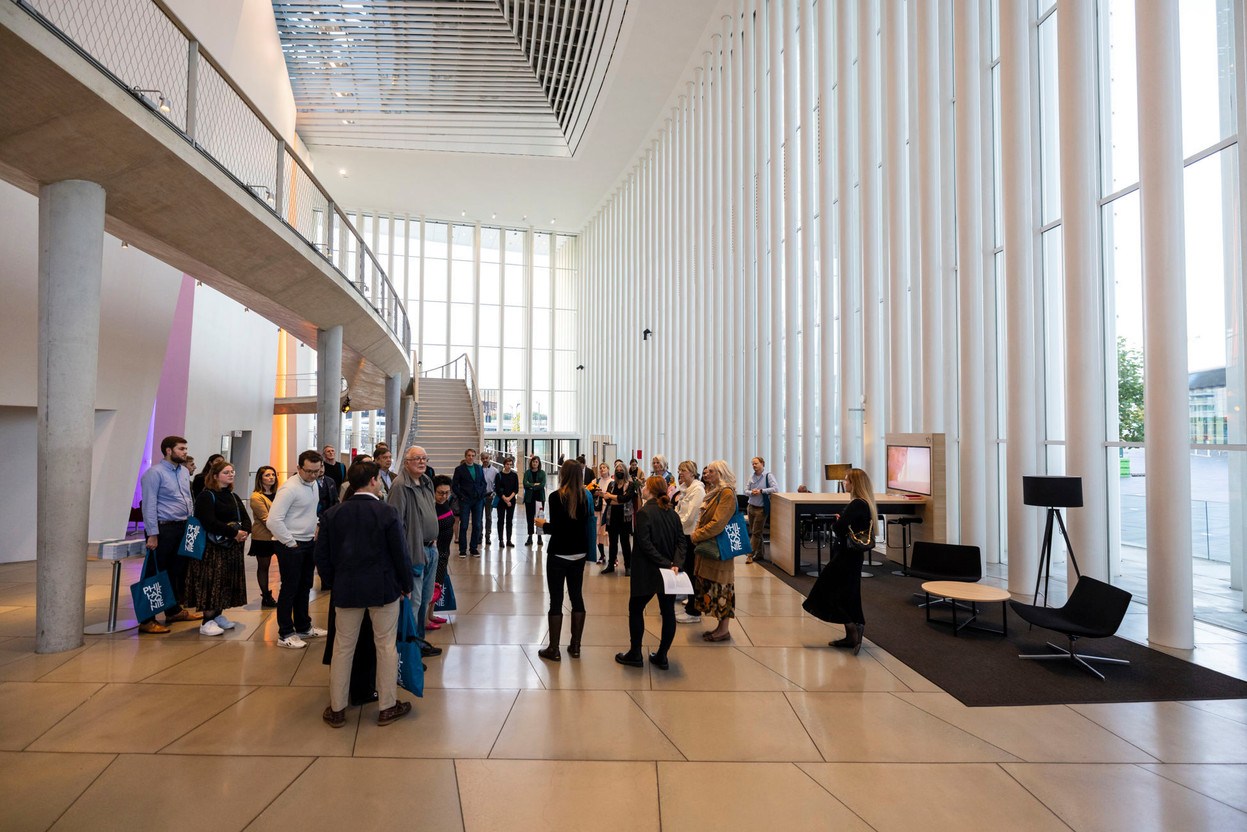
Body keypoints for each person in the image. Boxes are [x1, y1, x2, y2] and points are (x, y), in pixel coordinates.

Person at [315, 460, 415, 728]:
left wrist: (334, 582)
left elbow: (321, 557)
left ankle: (337, 709)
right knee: (385, 647)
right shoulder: (387, 513)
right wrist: (406, 585)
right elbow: (400, 554)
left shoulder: (333, 514)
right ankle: (387, 706)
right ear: (372, 481)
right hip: (383, 590)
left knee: (343, 648)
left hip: (346, 590)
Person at [802, 468, 877, 655]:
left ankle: (853, 627)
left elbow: (840, 527)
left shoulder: (857, 504)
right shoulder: (865, 503)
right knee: (846, 592)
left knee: (828, 589)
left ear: (855, 483)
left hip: (846, 556)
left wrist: (838, 522)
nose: (845, 483)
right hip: (852, 556)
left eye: (847, 480)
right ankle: (851, 634)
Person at [616, 476, 687, 670]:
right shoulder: (672, 513)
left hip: (647, 571)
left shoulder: (645, 512)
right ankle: (662, 656)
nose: (643, 488)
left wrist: (666, 563)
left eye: (646, 486)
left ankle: (635, 653)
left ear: (653, 490)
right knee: (668, 612)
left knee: (636, 609)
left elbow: (645, 545)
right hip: (669, 573)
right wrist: (676, 564)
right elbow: (681, 542)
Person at [267, 450, 329, 649]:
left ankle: (303, 626)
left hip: (308, 541)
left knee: (305, 586)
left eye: (317, 471)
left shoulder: (314, 484)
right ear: (298, 468)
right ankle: (285, 633)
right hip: (290, 544)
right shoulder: (289, 488)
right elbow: (273, 520)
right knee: (290, 589)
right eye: (309, 471)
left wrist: (316, 526)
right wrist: (290, 542)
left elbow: (310, 511)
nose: (312, 475)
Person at [137, 436, 198, 633]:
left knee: (175, 571)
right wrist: (152, 534)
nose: (185, 452)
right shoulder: (154, 474)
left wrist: (191, 525)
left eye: (186, 449)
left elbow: (187, 499)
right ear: (168, 450)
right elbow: (148, 506)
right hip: (163, 529)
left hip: (182, 527)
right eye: (181, 449)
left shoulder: (182, 472)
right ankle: (147, 620)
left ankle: (173, 611)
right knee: (154, 573)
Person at [387, 446, 442, 653]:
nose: (421, 462)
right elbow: (396, 523)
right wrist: (404, 553)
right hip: (414, 552)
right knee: (414, 602)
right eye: (416, 459)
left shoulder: (427, 481)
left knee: (426, 599)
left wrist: (433, 540)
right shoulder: (400, 486)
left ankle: (419, 643)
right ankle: (408, 649)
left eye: (424, 458)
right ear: (406, 462)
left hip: (431, 549)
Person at [185, 459, 251, 635]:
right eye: (226, 472)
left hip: (232, 547)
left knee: (227, 582)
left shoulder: (233, 496)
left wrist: (244, 532)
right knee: (212, 583)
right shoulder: (206, 496)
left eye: (232, 472)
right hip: (213, 549)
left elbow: (245, 518)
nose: (231, 475)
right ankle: (207, 621)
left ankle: (218, 615)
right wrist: (233, 533)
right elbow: (208, 522)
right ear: (215, 476)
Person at [534, 460, 590, 662]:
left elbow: (558, 528)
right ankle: (575, 647)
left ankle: (554, 649)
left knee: (556, 599)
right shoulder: (585, 497)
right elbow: (578, 526)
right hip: (579, 554)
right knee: (577, 597)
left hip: (559, 554)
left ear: (563, 475)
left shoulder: (555, 497)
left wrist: (543, 524)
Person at [690, 460, 740, 641]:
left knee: (722, 588)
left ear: (720, 473)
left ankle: (723, 630)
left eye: (711, 471)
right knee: (713, 587)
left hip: (720, 551)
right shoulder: (713, 493)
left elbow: (718, 524)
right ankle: (719, 628)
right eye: (706, 471)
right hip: (710, 549)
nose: (706, 474)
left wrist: (697, 535)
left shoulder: (726, 493)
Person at [673, 460, 705, 624]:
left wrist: (675, 525)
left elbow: (690, 516)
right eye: (679, 470)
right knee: (687, 570)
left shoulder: (697, 490)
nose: (680, 473)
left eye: (684, 470)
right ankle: (690, 604)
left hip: (690, 535)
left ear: (692, 472)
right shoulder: (685, 489)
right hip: (683, 533)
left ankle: (694, 611)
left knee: (692, 572)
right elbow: (679, 511)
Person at [249, 466, 279, 608]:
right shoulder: (257, 497)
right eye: (267, 475)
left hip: (278, 536)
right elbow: (265, 519)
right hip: (263, 536)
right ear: (260, 478)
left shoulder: (278, 493)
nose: (271, 477)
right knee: (264, 567)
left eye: (273, 475)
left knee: (285, 565)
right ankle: (266, 596)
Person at [451, 448, 486, 557]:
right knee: (464, 525)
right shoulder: (459, 469)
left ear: (475, 457)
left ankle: (473, 548)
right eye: (469, 455)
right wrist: (461, 496)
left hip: (477, 500)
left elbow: (483, 482)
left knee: (476, 525)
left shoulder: (479, 468)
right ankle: (462, 549)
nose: (471, 457)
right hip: (465, 500)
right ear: (465, 456)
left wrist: (482, 493)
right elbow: (454, 485)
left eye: (473, 455)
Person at [601, 465, 636, 575]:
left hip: (625, 518)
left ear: (625, 471)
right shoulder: (612, 484)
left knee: (625, 542)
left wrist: (612, 497)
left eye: (621, 470)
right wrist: (617, 499)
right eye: (617, 471)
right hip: (612, 517)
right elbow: (607, 500)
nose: (619, 472)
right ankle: (611, 565)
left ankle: (628, 567)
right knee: (613, 542)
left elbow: (626, 499)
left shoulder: (630, 484)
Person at [745, 456, 779, 564]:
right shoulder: (751, 476)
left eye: (756, 463)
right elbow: (745, 490)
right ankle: (759, 554)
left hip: (761, 508)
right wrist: (751, 492)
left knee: (756, 532)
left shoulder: (768, 476)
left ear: (762, 464)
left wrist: (761, 491)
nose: (754, 466)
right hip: (751, 506)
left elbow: (775, 489)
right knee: (756, 532)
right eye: (753, 464)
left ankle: (750, 554)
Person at [522, 455, 547, 546]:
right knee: (529, 517)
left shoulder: (542, 473)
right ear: (531, 463)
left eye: (536, 462)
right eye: (533, 462)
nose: (535, 463)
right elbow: (525, 484)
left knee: (539, 517)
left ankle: (539, 537)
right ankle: (530, 536)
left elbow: (542, 485)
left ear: (539, 463)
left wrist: (531, 486)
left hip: (540, 498)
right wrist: (535, 485)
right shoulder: (527, 473)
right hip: (529, 499)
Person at [496, 456, 519, 547]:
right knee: (500, 520)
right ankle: (501, 540)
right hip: (501, 501)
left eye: (510, 464)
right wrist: (505, 499)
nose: (509, 466)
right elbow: (497, 489)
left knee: (509, 521)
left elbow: (516, 489)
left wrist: (509, 498)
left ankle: (509, 540)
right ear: (504, 465)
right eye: (507, 464)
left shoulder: (514, 475)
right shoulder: (499, 475)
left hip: (511, 501)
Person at [592, 463, 612, 562]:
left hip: (607, 508)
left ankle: (614, 557)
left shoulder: (612, 481)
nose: (602, 469)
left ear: (608, 469)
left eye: (604, 467)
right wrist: (597, 493)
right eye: (600, 468)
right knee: (598, 531)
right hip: (598, 508)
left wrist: (604, 494)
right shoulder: (596, 481)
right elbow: (590, 490)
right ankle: (602, 555)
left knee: (608, 532)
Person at [480, 450, 499, 546]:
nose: (485, 460)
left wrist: (494, 494)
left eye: (486, 458)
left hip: (489, 496)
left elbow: (497, 485)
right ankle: (479, 536)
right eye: (483, 458)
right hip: (479, 497)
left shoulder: (495, 471)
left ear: (489, 458)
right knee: (479, 517)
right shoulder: (478, 469)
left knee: (488, 517)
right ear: (481, 459)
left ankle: (488, 536)